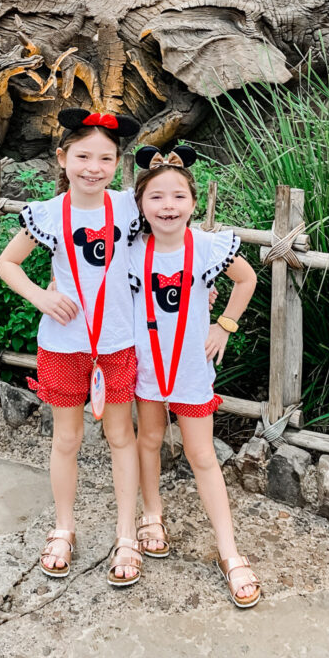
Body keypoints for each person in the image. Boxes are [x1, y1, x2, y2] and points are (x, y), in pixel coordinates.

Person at [0, 109, 144, 587]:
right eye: (83, 156)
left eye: (105, 158)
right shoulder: (48, 214)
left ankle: (126, 534)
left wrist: (202, 287)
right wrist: (41, 297)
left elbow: (170, 234)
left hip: (118, 341)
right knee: (66, 439)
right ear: (62, 158)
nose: (93, 168)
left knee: (121, 436)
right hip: (64, 343)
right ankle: (63, 528)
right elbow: (7, 264)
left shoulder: (129, 206)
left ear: (118, 163)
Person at [129, 145, 262, 608]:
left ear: (193, 202)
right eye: (156, 197)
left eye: (178, 197)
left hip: (189, 367)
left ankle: (229, 550)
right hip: (145, 366)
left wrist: (224, 325)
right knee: (148, 440)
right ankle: (152, 514)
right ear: (140, 203)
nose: (168, 206)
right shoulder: (131, 250)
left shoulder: (208, 247)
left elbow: (246, 279)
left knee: (202, 453)